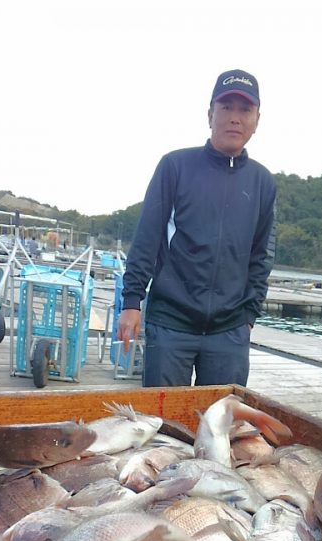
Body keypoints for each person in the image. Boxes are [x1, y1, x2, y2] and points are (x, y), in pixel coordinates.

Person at [117, 68, 276, 387]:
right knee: (163, 427)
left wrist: (248, 316)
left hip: (229, 332)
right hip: (171, 323)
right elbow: (147, 239)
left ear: (257, 119)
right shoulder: (175, 166)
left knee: (223, 428)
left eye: (245, 109)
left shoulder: (263, 182)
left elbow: (262, 255)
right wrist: (132, 302)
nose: (235, 117)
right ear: (210, 114)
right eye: (226, 107)